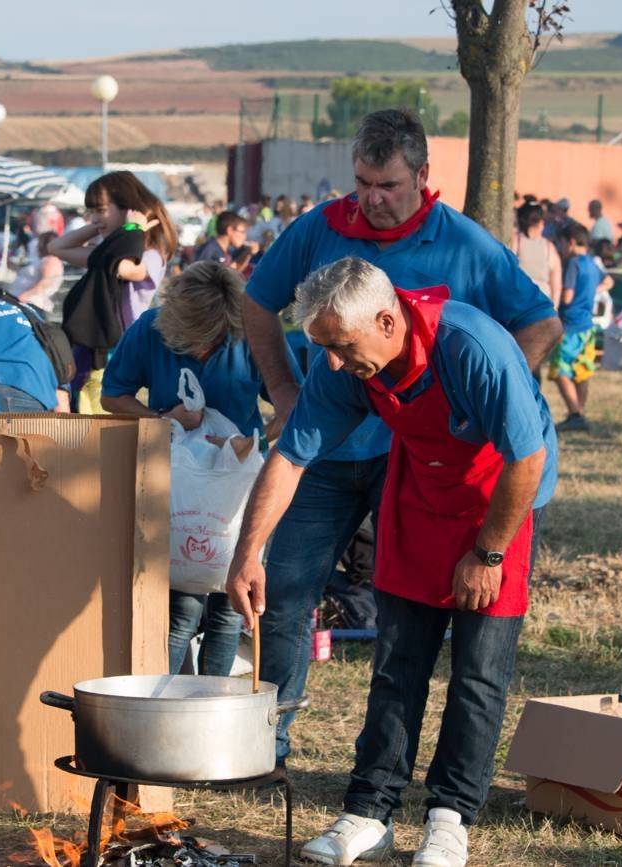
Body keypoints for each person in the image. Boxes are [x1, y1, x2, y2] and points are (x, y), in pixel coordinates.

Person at [240, 108, 560, 770]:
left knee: (405, 619)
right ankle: (265, 742)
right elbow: (255, 304)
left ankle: (396, 768)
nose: (373, 199)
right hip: (328, 446)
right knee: (287, 590)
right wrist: (287, 391)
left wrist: (483, 403)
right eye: (362, 182)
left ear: (421, 175)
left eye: (387, 184)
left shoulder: (466, 244)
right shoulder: (317, 230)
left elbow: (540, 323)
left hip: (410, 462)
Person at [227, 257, 556, 867]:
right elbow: (292, 456)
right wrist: (249, 554)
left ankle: (450, 817)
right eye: (320, 347)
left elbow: (526, 460)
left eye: (340, 346)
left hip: (498, 500)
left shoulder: (473, 347)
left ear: (387, 320)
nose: (330, 363)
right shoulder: (348, 358)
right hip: (417, 496)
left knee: (478, 673)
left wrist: (487, 554)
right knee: (397, 664)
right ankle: (369, 812)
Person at [102, 260, 300, 676]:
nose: (202, 350)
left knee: (230, 609)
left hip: (236, 483)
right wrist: (163, 420)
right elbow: (113, 395)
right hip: (176, 480)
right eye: (195, 340)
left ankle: (214, 701)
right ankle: (167, 702)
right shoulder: (151, 329)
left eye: (215, 339)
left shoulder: (251, 333)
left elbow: (292, 403)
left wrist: (258, 439)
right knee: (182, 607)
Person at [49, 170, 177, 413]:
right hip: (96, 344)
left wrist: (131, 227)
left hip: (120, 348)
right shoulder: (104, 255)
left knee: (101, 408)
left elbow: (123, 267)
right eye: (91, 212)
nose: (95, 217)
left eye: (101, 210)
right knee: (83, 402)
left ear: (128, 207)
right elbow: (57, 247)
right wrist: (97, 229)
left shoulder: (151, 256)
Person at [550, 222, 609, 432]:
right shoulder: (593, 263)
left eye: (563, 243)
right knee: (581, 371)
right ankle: (580, 413)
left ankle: (575, 413)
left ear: (571, 243)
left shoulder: (573, 264)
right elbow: (608, 281)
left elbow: (567, 296)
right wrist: (591, 291)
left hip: (570, 324)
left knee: (560, 370)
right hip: (588, 325)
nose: (561, 247)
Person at [513, 202, 562, 308]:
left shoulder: (515, 241)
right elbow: (556, 285)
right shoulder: (549, 248)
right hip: (541, 304)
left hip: (518, 301)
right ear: (540, 223)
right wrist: (554, 309)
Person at [7, 231, 63, 313]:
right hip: (25, 301)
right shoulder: (43, 259)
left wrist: (24, 296)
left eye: (40, 241)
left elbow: (45, 283)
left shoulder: (51, 260)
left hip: (33, 303)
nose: (37, 245)